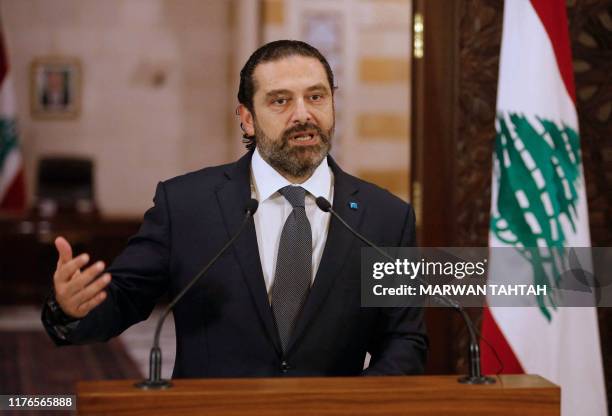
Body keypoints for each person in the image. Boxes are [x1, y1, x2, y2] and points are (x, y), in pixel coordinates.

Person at [42, 40, 427, 377]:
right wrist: (70, 309)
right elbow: (125, 297)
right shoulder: (187, 205)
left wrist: (349, 406)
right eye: (280, 101)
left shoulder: (385, 218)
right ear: (246, 118)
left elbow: (405, 340)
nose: (303, 115)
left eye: (316, 96)